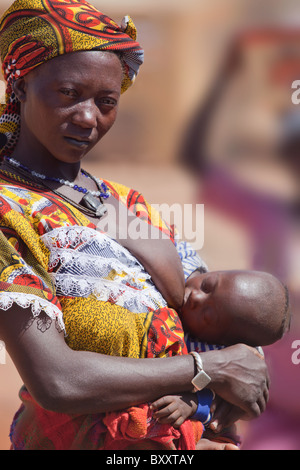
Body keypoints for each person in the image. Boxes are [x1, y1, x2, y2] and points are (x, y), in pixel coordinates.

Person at [0, 0, 270, 451]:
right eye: (68, 93)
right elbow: (58, 381)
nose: (88, 117)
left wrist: (226, 394)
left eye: (106, 102)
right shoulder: (10, 211)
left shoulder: (125, 201)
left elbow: (215, 314)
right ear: (22, 85)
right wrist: (213, 370)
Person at [150, 268, 290, 435]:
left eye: (207, 315)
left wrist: (194, 403)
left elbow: (225, 397)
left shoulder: (214, 351)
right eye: (207, 285)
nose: (196, 296)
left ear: (221, 342)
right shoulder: (185, 267)